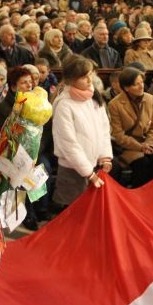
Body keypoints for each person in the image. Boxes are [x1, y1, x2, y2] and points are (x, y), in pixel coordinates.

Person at [52, 55, 113, 208]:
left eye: (90, 75)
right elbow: (68, 143)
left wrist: (105, 157)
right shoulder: (64, 105)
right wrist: (88, 173)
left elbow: (104, 130)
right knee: (72, 213)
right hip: (72, 169)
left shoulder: (93, 99)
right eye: (84, 77)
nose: (89, 80)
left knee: (90, 212)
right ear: (71, 79)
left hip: (93, 166)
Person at [108, 67, 153, 187]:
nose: (141, 86)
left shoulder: (149, 98)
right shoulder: (114, 104)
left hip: (148, 142)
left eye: (142, 82)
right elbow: (118, 134)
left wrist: (149, 143)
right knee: (142, 163)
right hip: (129, 146)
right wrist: (140, 147)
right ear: (126, 88)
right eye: (136, 84)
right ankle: (136, 195)